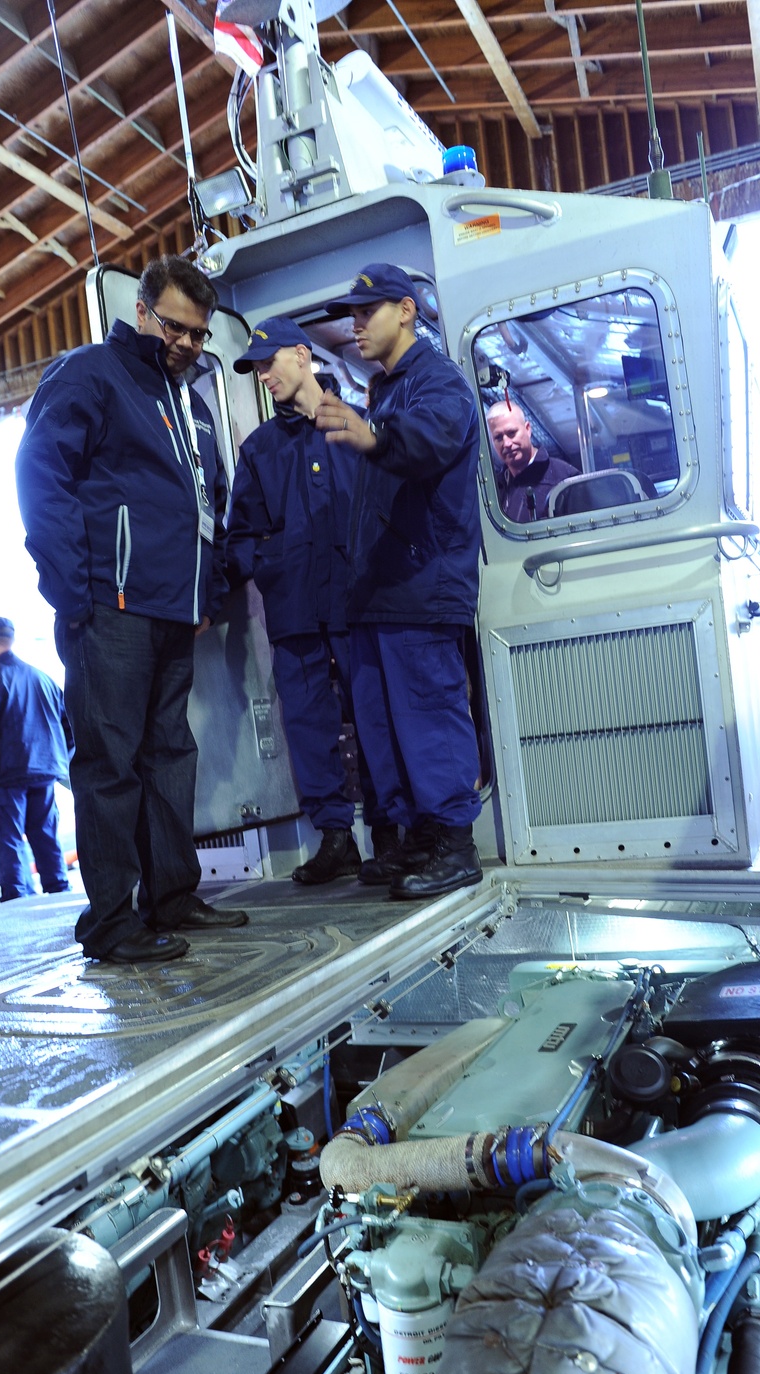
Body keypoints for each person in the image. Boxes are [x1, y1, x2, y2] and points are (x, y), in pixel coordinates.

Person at [16, 255, 247, 963]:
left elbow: (206, 508)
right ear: (142, 311)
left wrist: (204, 594)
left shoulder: (193, 403)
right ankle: (113, 921)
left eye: (199, 333)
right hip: (108, 606)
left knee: (170, 754)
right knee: (110, 763)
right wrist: (71, 587)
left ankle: (172, 895)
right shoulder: (91, 374)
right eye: (175, 325)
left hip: (174, 610)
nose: (185, 341)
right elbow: (38, 470)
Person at [315, 262, 484, 900]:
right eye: (353, 314)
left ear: (407, 311)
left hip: (421, 581)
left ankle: (453, 842)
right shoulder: (384, 389)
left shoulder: (435, 383)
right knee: (385, 724)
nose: (356, 324)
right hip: (382, 591)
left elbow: (428, 439)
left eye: (369, 311)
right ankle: (417, 834)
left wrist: (376, 434)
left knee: (428, 715)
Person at [226, 317, 384, 884]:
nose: (263, 375)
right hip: (293, 607)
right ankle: (336, 838)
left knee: (374, 713)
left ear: (302, 354)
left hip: (357, 600)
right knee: (308, 723)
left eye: (269, 362)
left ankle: (390, 833)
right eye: (255, 368)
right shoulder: (259, 450)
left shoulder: (358, 426)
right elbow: (238, 534)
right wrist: (253, 567)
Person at [0, 617, 71, 902]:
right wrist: (57, 759)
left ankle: (17, 908)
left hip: (6, 776)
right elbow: (69, 727)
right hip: (44, 772)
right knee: (46, 838)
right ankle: (60, 898)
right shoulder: (44, 679)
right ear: (12, 640)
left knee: (8, 843)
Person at [486, 402, 579, 522]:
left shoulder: (566, 480)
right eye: (498, 437)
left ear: (528, 429)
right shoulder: (491, 491)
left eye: (512, 433)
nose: (507, 443)